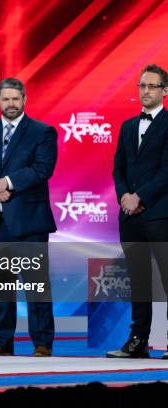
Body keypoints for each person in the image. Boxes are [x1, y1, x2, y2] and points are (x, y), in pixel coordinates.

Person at [0, 77, 57, 357]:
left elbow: (42, 169)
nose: (11, 104)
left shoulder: (42, 132)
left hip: (29, 223)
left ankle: (42, 343)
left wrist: (6, 182)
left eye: (16, 99)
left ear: (24, 100)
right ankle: (1, 342)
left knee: (36, 285)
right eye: (6, 99)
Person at [108, 64, 168, 359]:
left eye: (152, 86)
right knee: (138, 280)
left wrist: (140, 196)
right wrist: (124, 196)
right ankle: (137, 341)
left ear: (164, 91)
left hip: (160, 214)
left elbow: (167, 171)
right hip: (129, 216)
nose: (145, 91)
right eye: (142, 86)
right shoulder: (127, 126)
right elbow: (118, 168)